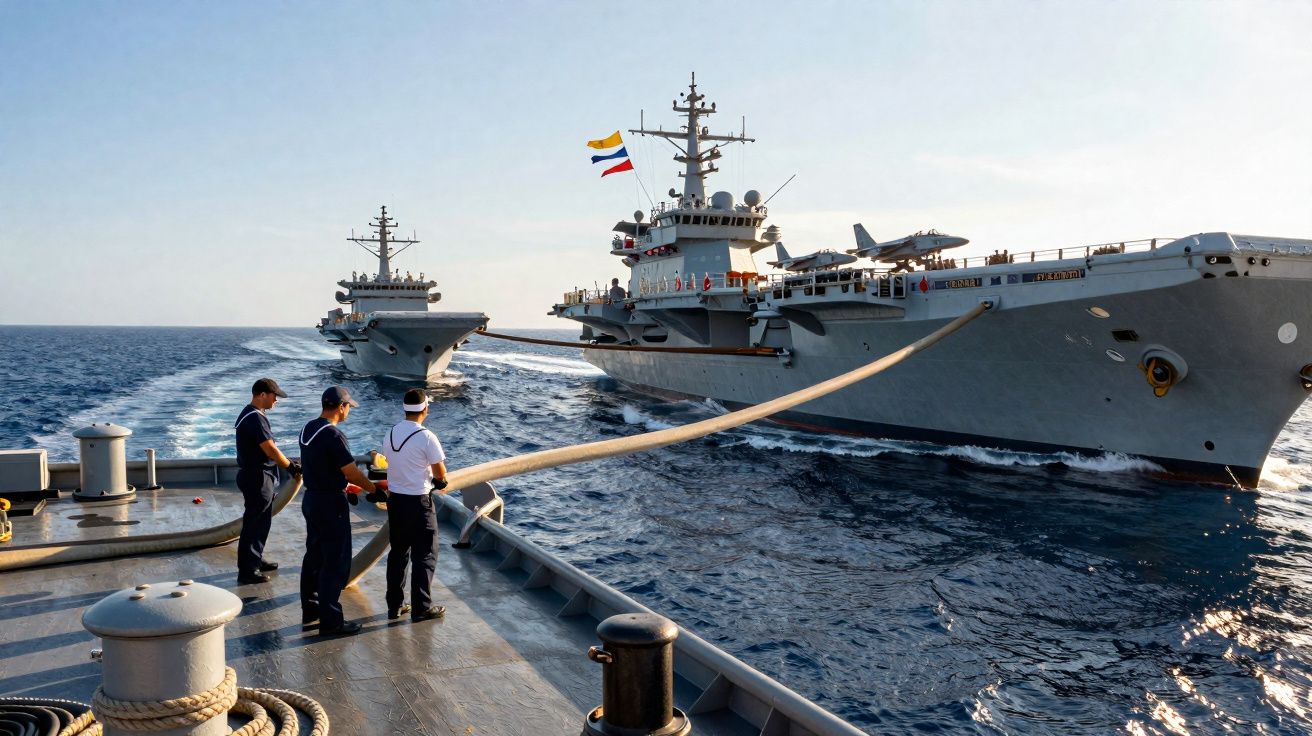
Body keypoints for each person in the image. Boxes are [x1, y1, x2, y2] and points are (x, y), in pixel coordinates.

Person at [298, 386, 379, 636]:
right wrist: (373, 490)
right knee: (335, 562)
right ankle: (331, 621)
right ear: (341, 406)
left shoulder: (308, 429)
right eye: (348, 407)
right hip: (331, 505)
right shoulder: (333, 435)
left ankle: (311, 611)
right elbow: (351, 471)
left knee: (314, 557)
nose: (348, 412)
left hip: (312, 499)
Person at [380, 388, 451, 623]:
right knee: (425, 555)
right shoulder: (427, 436)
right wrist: (438, 481)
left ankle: (395, 606)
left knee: (398, 554)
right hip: (419, 502)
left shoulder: (390, 433)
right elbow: (440, 474)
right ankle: (421, 607)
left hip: (396, 501)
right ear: (425, 410)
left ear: (404, 408)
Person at [234, 378, 300, 585]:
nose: (276, 401)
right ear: (262, 395)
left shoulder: (251, 414)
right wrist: (290, 466)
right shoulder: (254, 417)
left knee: (262, 520)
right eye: (274, 396)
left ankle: (256, 557)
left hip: (259, 475)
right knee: (255, 521)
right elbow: (270, 449)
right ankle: (247, 570)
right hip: (257, 476)